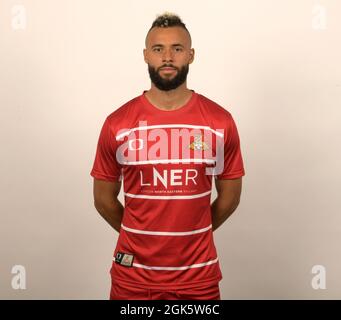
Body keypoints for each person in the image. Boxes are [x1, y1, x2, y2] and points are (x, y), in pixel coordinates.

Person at [90, 12, 245, 300]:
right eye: (158, 49)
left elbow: (229, 198)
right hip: (132, 279)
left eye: (177, 48)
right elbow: (102, 199)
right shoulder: (118, 123)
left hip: (199, 278)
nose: (168, 57)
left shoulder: (219, 122)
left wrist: (193, 232)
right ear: (146, 55)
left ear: (191, 55)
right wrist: (139, 236)